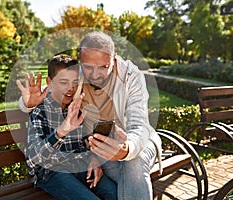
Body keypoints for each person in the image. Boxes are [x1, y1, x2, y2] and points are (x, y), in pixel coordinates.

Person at [17, 32, 163, 200]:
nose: (94, 74)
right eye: (88, 67)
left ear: (113, 60)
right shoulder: (74, 78)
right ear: (80, 63)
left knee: (134, 164)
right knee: (117, 188)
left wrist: (126, 148)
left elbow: (139, 125)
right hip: (95, 151)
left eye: (103, 67)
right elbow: (53, 85)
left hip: (136, 142)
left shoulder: (131, 76)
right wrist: (28, 103)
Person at [21, 54, 117, 200]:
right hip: (52, 172)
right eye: (64, 82)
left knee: (113, 193)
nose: (71, 88)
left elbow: (82, 143)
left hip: (78, 165)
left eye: (75, 82)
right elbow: (34, 161)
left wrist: (93, 160)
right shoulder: (40, 110)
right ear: (50, 82)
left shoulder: (74, 109)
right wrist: (61, 131)